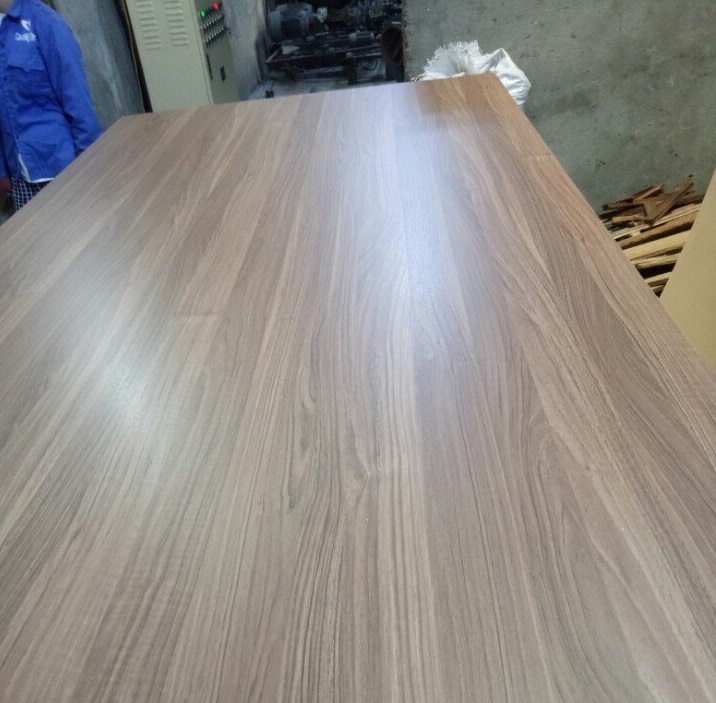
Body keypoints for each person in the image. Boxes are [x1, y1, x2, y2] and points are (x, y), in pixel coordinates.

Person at [0, 0, 102, 212]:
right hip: (20, 178)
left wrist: (90, 167)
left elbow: (78, 103)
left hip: (62, 170)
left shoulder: (45, 22)